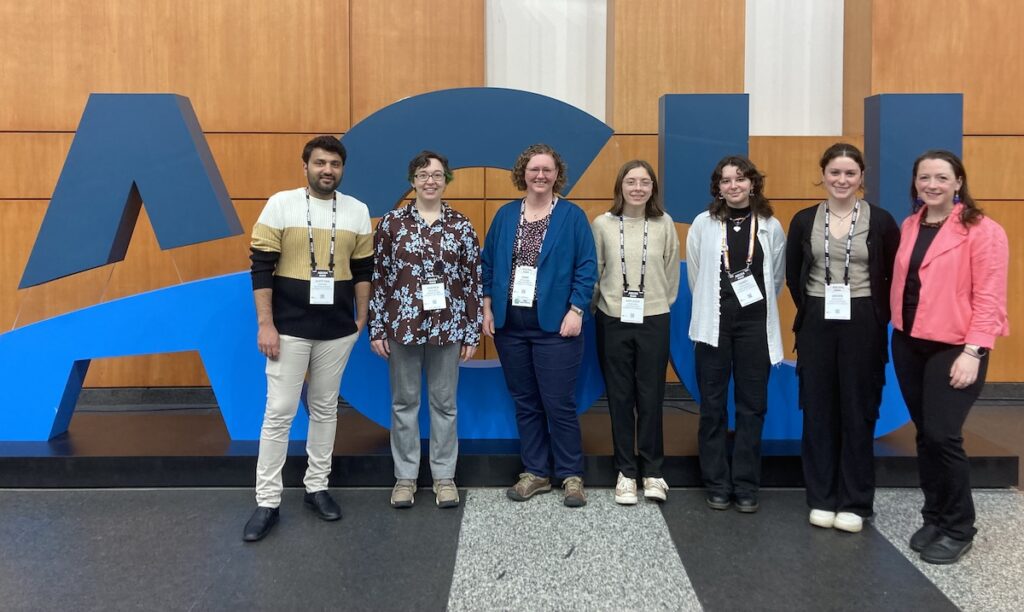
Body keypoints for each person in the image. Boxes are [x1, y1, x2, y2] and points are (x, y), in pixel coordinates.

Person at [243, 135, 373, 542]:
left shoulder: (357, 211)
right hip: (288, 329)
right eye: (320, 163)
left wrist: (362, 318)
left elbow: (364, 269)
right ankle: (267, 501)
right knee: (279, 411)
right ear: (306, 167)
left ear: (342, 168)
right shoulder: (281, 204)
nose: (327, 170)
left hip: (337, 331)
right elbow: (261, 268)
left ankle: (317, 488)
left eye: (334, 164)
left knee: (325, 410)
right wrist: (266, 324)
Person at [890, 150, 1008, 564]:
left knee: (944, 435)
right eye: (925, 178)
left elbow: (990, 297)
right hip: (908, 343)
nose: (932, 185)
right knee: (925, 435)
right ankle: (935, 515)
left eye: (942, 177)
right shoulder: (911, 225)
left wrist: (975, 351)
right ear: (915, 183)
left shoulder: (982, 230)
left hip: (956, 346)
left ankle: (959, 527)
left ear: (959, 182)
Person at [785, 143, 900, 534]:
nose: (842, 180)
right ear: (823, 174)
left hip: (863, 319)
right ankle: (821, 497)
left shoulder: (881, 221)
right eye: (835, 172)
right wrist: (814, 307)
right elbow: (794, 274)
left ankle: (855, 501)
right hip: (817, 318)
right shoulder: (803, 220)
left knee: (858, 408)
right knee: (817, 409)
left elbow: (891, 274)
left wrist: (874, 313)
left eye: (850, 173)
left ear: (862, 178)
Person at [481, 143, 598, 508]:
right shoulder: (504, 216)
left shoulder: (572, 216)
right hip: (510, 323)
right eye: (534, 169)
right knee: (526, 402)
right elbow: (487, 266)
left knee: (558, 401)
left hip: (556, 324)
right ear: (523, 174)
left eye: (547, 170)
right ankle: (536, 473)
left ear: (557, 175)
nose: (541, 176)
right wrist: (487, 308)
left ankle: (571, 475)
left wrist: (577, 310)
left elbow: (587, 267)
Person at [369, 150, 482, 509]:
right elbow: (380, 278)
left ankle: (444, 477)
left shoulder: (462, 226)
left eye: (437, 174)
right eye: (422, 174)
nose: (430, 180)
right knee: (404, 403)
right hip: (402, 327)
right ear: (412, 181)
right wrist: (376, 327)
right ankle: (405, 478)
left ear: (445, 180)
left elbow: (472, 281)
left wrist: (471, 330)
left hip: (448, 328)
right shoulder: (391, 225)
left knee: (444, 404)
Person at [687, 155, 785, 513]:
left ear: (753, 183)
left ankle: (745, 484)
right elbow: (696, 276)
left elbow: (775, 278)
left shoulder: (771, 225)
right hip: (714, 326)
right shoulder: (703, 224)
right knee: (712, 407)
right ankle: (716, 482)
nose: (733, 186)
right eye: (725, 181)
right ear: (718, 188)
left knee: (751, 407)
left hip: (754, 327)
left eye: (740, 179)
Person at [592, 160, 680, 505]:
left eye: (645, 182)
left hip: (654, 317)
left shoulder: (664, 223)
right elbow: (597, 270)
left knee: (651, 395)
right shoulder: (602, 224)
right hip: (612, 317)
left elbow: (671, 269)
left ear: (652, 188)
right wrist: (603, 306)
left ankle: (653, 472)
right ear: (620, 186)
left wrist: (657, 302)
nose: (638, 188)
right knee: (619, 396)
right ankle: (626, 472)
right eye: (631, 181)